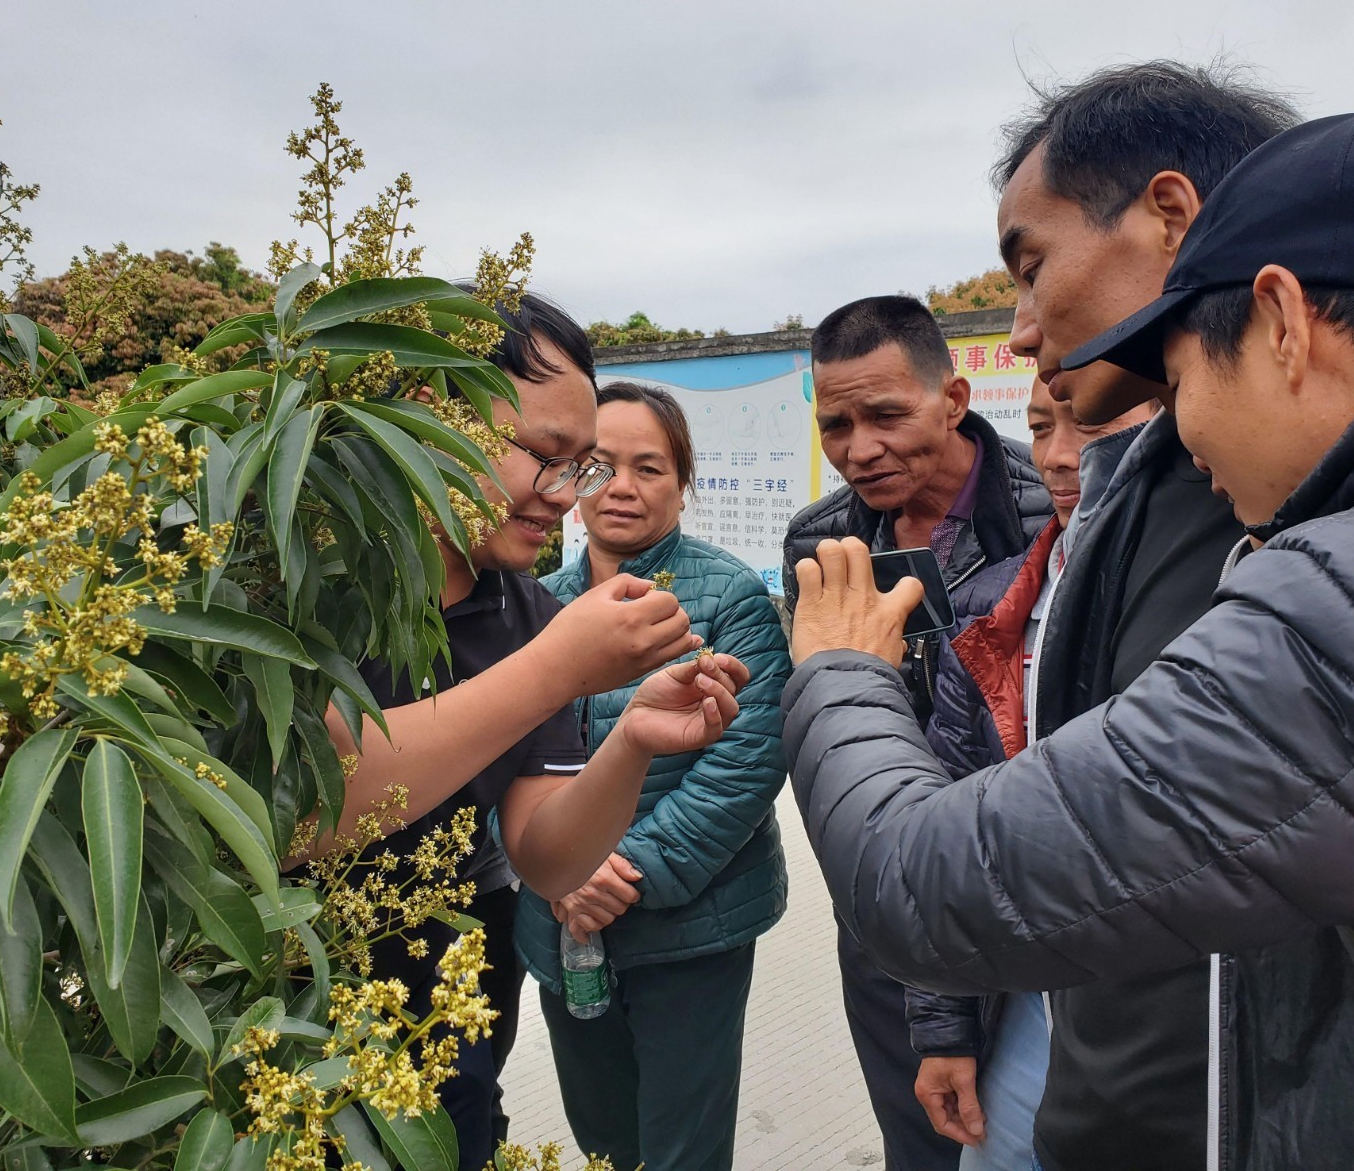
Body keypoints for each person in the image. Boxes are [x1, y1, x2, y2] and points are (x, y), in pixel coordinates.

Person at [785, 108, 1354, 1169]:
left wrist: (838, 667)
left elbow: (926, 882)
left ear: (1281, 320)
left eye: (1186, 378)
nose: (1183, 434)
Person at [288, 295, 751, 1171]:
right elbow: (297, 816)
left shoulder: (529, 611)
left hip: (445, 1020)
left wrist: (632, 740)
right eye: (547, 458)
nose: (567, 498)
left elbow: (544, 857)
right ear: (425, 420)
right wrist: (558, 669)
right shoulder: (298, 570)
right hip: (271, 1012)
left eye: (580, 468)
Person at [934, 61, 1299, 1171]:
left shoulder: (1264, 501)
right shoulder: (1152, 478)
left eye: (1033, 268)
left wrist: (839, 673)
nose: (1025, 329)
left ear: (1171, 217)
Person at [781, 294, 1051, 1169]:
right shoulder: (819, 542)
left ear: (956, 398)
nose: (860, 449)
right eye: (836, 425)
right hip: (882, 907)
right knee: (916, 1138)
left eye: (887, 415)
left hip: (1019, 901)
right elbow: (823, 719)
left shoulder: (1048, 517)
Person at [516, 381, 791, 1171]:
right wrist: (563, 877)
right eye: (598, 468)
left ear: (682, 483)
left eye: (650, 468)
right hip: (563, 924)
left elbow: (745, 764)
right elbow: (504, 762)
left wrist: (617, 872)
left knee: (683, 1147)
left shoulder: (729, 596)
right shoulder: (533, 604)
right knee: (603, 1136)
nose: (623, 488)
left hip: (688, 926)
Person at [912, 376, 1158, 1170]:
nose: (1057, 459)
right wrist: (946, 1026)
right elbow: (946, 824)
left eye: (1091, 427)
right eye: (1041, 426)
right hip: (1024, 1002)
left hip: (1160, 1013)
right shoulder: (991, 610)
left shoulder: (1218, 589)